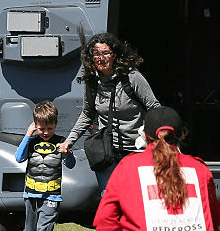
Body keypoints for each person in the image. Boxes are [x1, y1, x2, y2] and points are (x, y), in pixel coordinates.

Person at [59, 33, 160, 193]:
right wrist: (69, 141)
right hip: (107, 152)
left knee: (134, 198)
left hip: (136, 151)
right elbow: (87, 114)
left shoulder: (131, 78)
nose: (100, 58)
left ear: (114, 55)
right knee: (109, 198)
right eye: (96, 54)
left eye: (105, 53)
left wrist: (152, 134)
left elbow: (154, 107)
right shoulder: (92, 82)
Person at [15, 101, 74, 231]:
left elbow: (70, 164)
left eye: (50, 128)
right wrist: (28, 135)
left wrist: (67, 154)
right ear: (35, 125)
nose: (46, 132)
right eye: (41, 129)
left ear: (55, 124)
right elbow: (19, 158)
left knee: (44, 230)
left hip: (51, 196)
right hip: (30, 195)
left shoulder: (61, 142)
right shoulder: (32, 141)